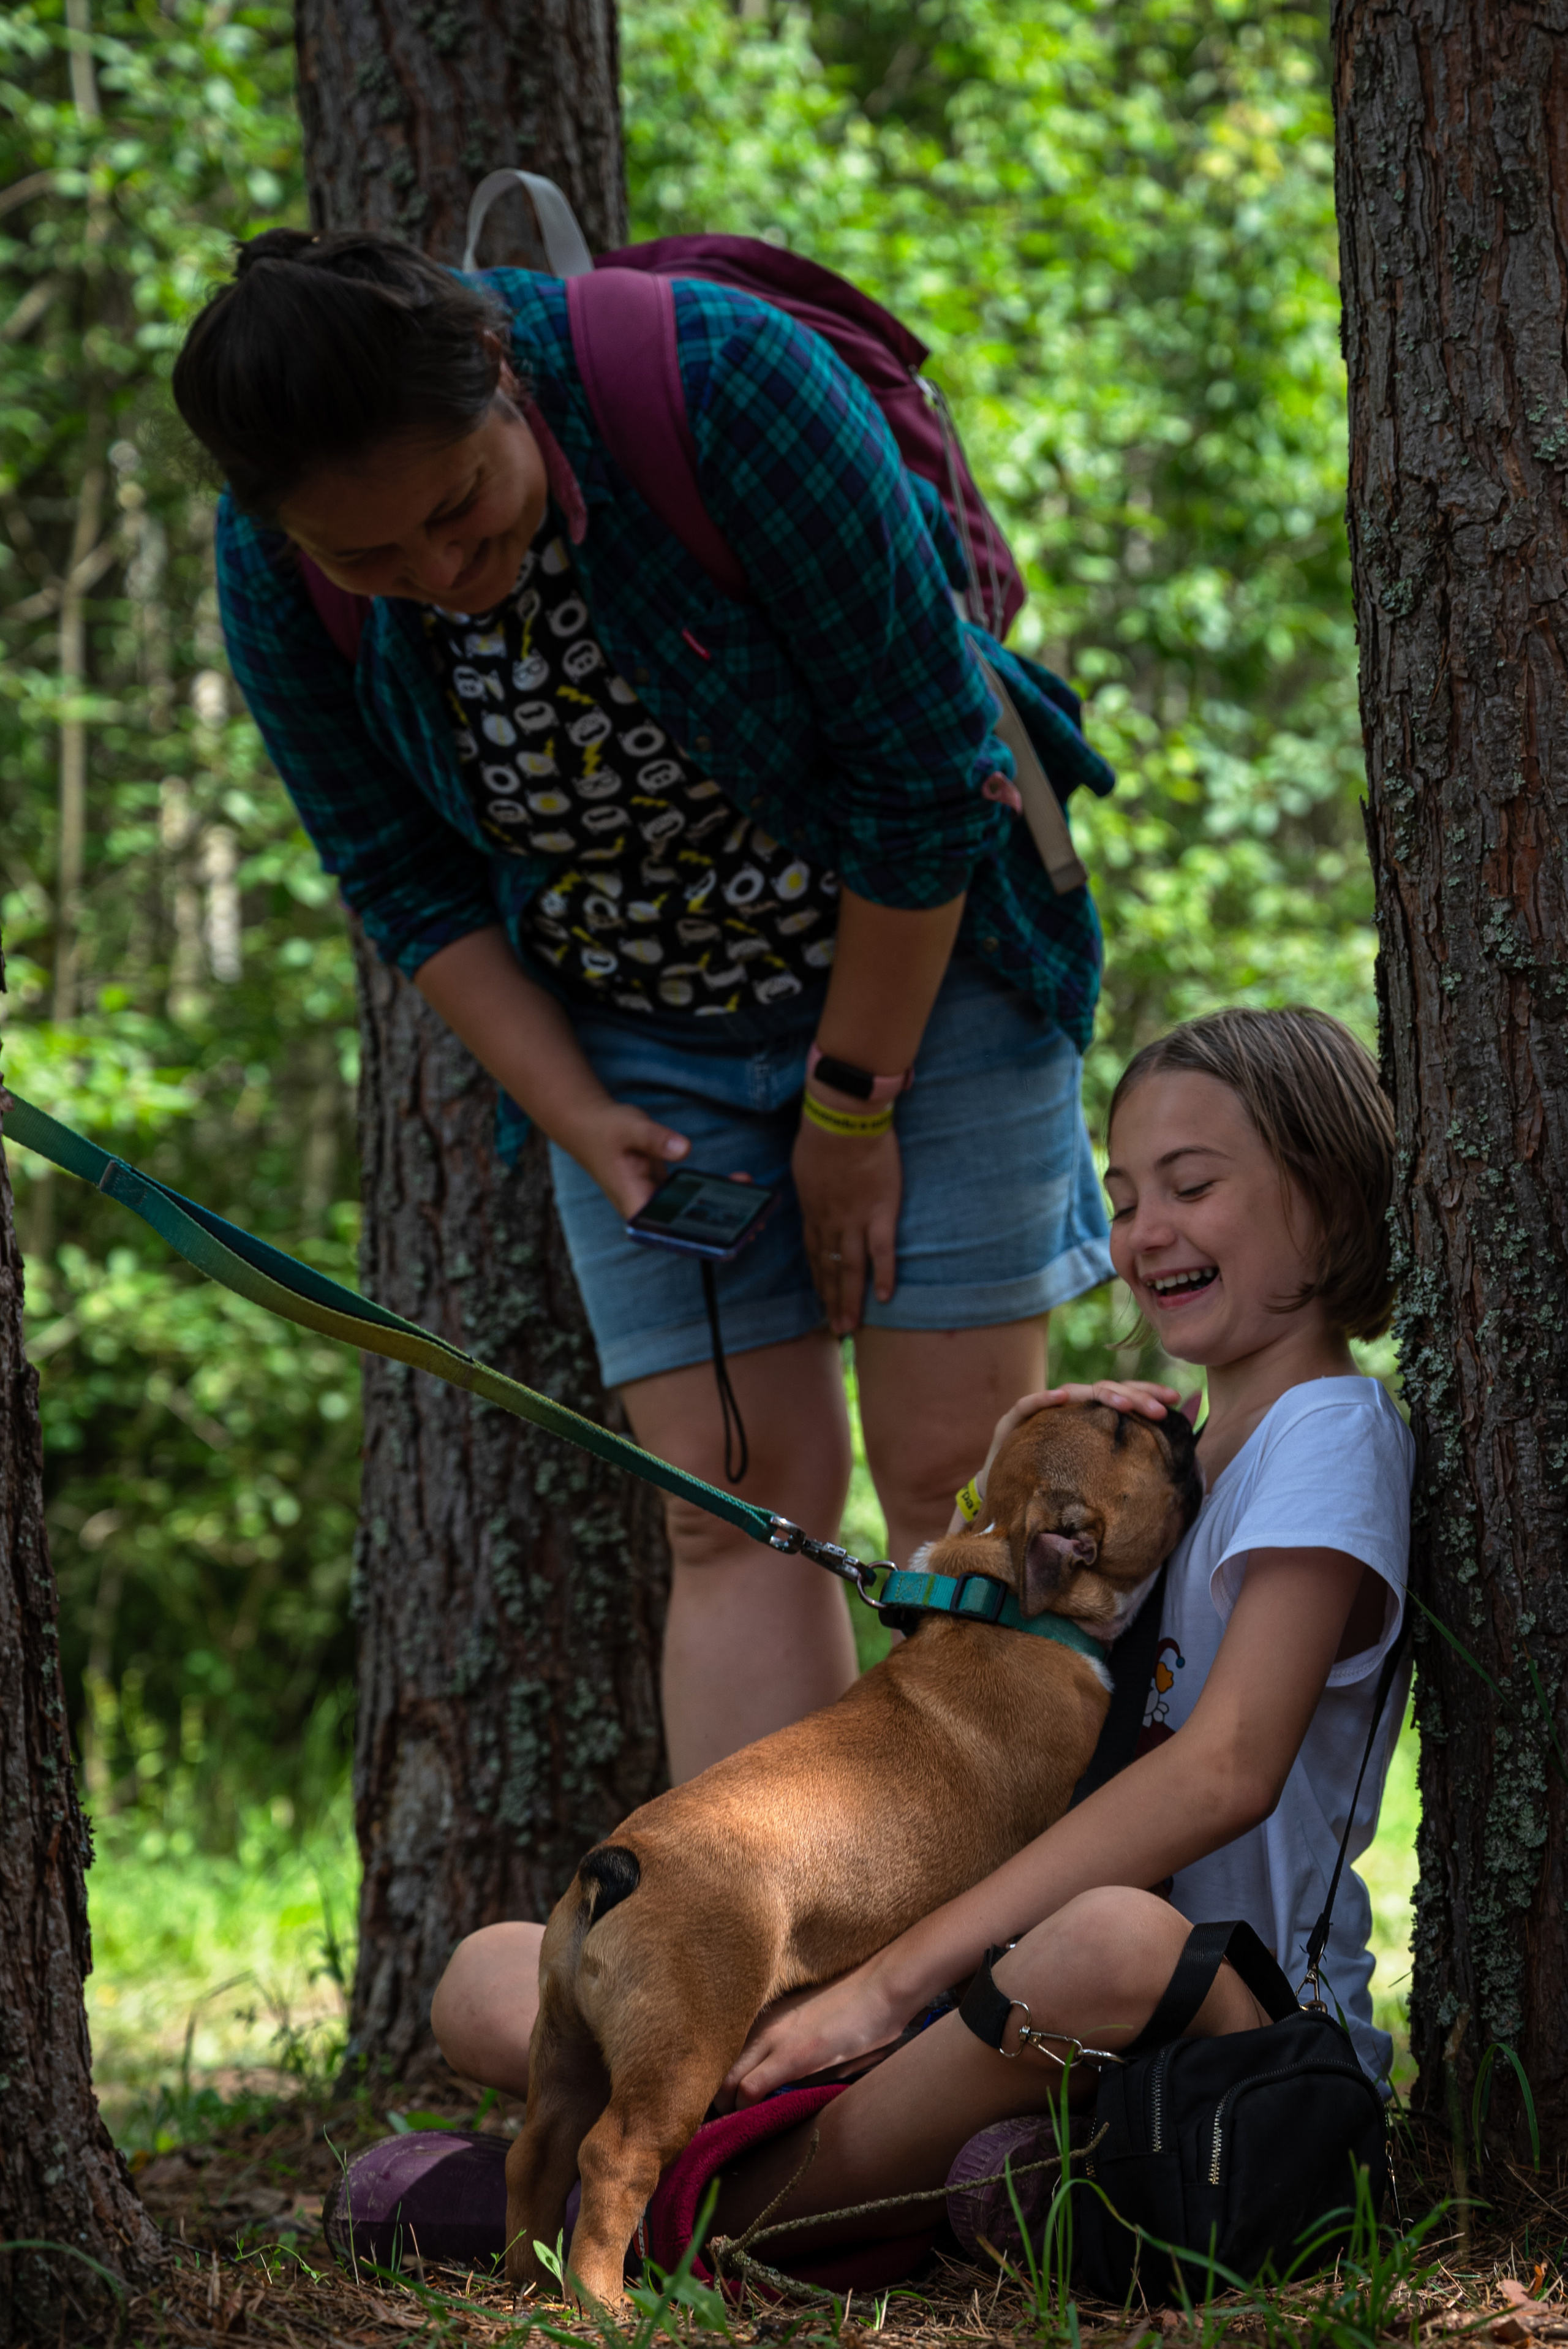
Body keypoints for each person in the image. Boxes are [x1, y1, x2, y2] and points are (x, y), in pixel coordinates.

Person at [172, 231, 1118, 1782]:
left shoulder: (728, 393)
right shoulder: (271, 563)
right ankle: (765, 1970)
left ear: (495, 376)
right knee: (732, 1502)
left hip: (925, 969)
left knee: (967, 1481)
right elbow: (401, 877)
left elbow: (923, 777)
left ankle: (998, 1975)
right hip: (631, 1030)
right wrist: (576, 1111)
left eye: (456, 514)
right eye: (371, 563)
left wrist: (847, 1110)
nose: (440, 581)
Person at [415, 1004, 1412, 2277]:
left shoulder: (1327, 1433)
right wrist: (1026, 1468)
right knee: (489, 1972)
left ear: (1324, 1201)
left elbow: (1225, 1769)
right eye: (1118, 1199)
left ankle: (681, 2213)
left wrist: (880, 1993)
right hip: (986, 1980)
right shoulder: (1172, 1459)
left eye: (1191, 1186)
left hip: (1216, 2009)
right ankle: (931, 2181)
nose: (1142, 1231)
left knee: (1104, 1939)